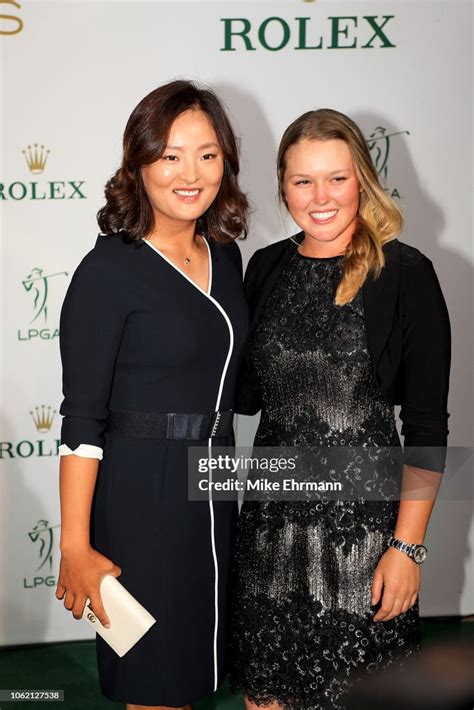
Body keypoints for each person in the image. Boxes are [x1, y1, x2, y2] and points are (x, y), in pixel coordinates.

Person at [230, 109, 450, 710]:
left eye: (337, 178)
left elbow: (428, 425)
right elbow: (243, 395)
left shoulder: (406, 274)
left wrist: (406, 550)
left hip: (363, 542)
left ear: (364, 180)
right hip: (270, 536)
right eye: (303, 181)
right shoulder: (265, 268)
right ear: (282, 186)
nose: (320, 197)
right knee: (267, 699)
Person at [55, 80, 249, 710]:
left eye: (207, 153)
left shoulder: (226, 256)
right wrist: (75, 546)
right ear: (138, 164)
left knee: (193, 674)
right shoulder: (110, 270)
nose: (190, 173)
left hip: (214, 485)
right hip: (140, 496)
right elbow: (82, 422)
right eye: (169, 155)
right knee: (156, 685)